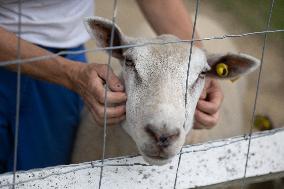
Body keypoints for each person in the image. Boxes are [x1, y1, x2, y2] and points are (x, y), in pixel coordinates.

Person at [0, 0, 223, 173]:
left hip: (64, 48)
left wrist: (198, 67)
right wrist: (70, 74)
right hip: (29, 54)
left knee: (50, 170)